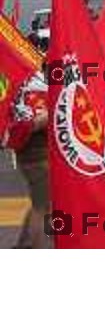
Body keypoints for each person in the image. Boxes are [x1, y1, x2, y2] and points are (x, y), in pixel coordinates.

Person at [6, 73, 49, 249]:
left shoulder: (22, 90)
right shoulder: (24, 93)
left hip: (33, 155)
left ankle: (23, 244)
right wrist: (47, 115)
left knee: (39, 203)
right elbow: (30, 124)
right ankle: (34, 247)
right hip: (35, 157)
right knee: (43, 207)